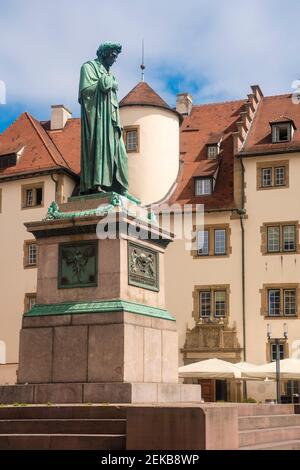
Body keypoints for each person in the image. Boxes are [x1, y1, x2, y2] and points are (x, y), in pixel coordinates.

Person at [78, 42, 128, 195]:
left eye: (116, 56)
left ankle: (119, 187)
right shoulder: (88, 67)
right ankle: (97, 184)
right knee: (100, 148)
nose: (115, 59)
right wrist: (104, 83)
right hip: (98, 119)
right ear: (104, 53)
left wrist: (109, 82)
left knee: (121, 155)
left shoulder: (109, 74)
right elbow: (85, 92)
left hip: (111, 121)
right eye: (113, 55)